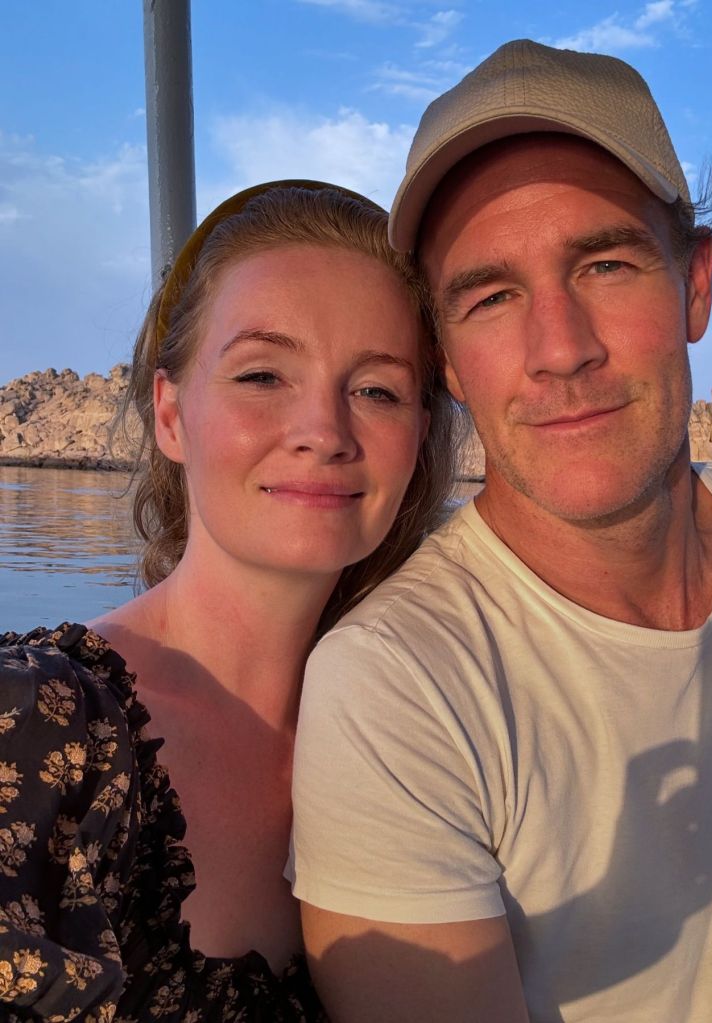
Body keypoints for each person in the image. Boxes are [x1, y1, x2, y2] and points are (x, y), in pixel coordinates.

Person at [290, 40, 712, 1023]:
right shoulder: (400, 688)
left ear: (695, 286)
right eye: (491, 297)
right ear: (448, 361)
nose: (561, 350)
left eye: (606, 264)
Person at [0, 180, 458, 1021]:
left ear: (419, 435)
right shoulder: (34, 722)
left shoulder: (430, 735)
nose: (324, 430)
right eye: (262, 374)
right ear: (171, 414)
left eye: (377, 390)